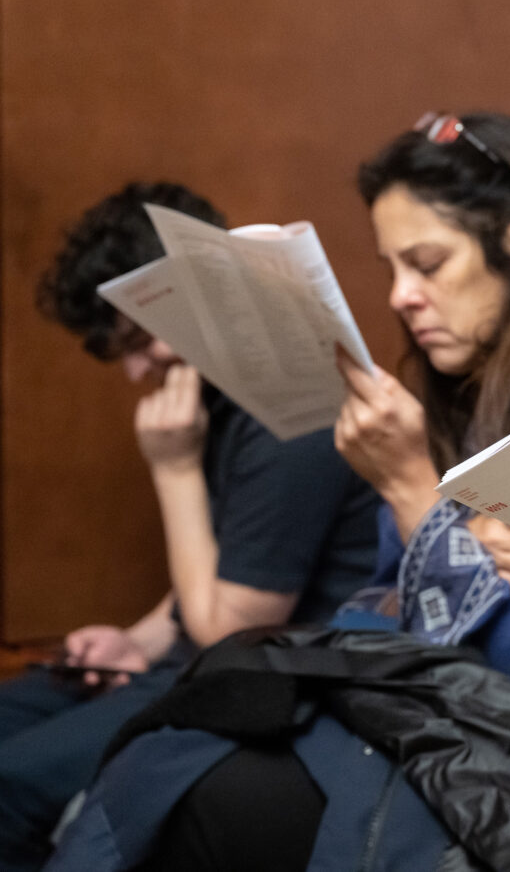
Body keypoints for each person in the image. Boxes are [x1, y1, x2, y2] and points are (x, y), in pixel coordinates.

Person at [56, 115, 510, 871]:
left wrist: (416, 488)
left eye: (427, 263)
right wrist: (460, 535)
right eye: (391, 269)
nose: (402, 296)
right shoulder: (457, 391)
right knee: (178, 762)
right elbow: (391, 593)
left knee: (216, 801)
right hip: (487, 738)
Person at [0, 182, 380, 870]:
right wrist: (133, 640)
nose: (137, 370)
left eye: (142, 340)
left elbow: (230, 625)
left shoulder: (295, 414)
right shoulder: (218, 398)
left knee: (9, 785)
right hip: (200, 656)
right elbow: (208, 581)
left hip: (269, 680)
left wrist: (173, 469)